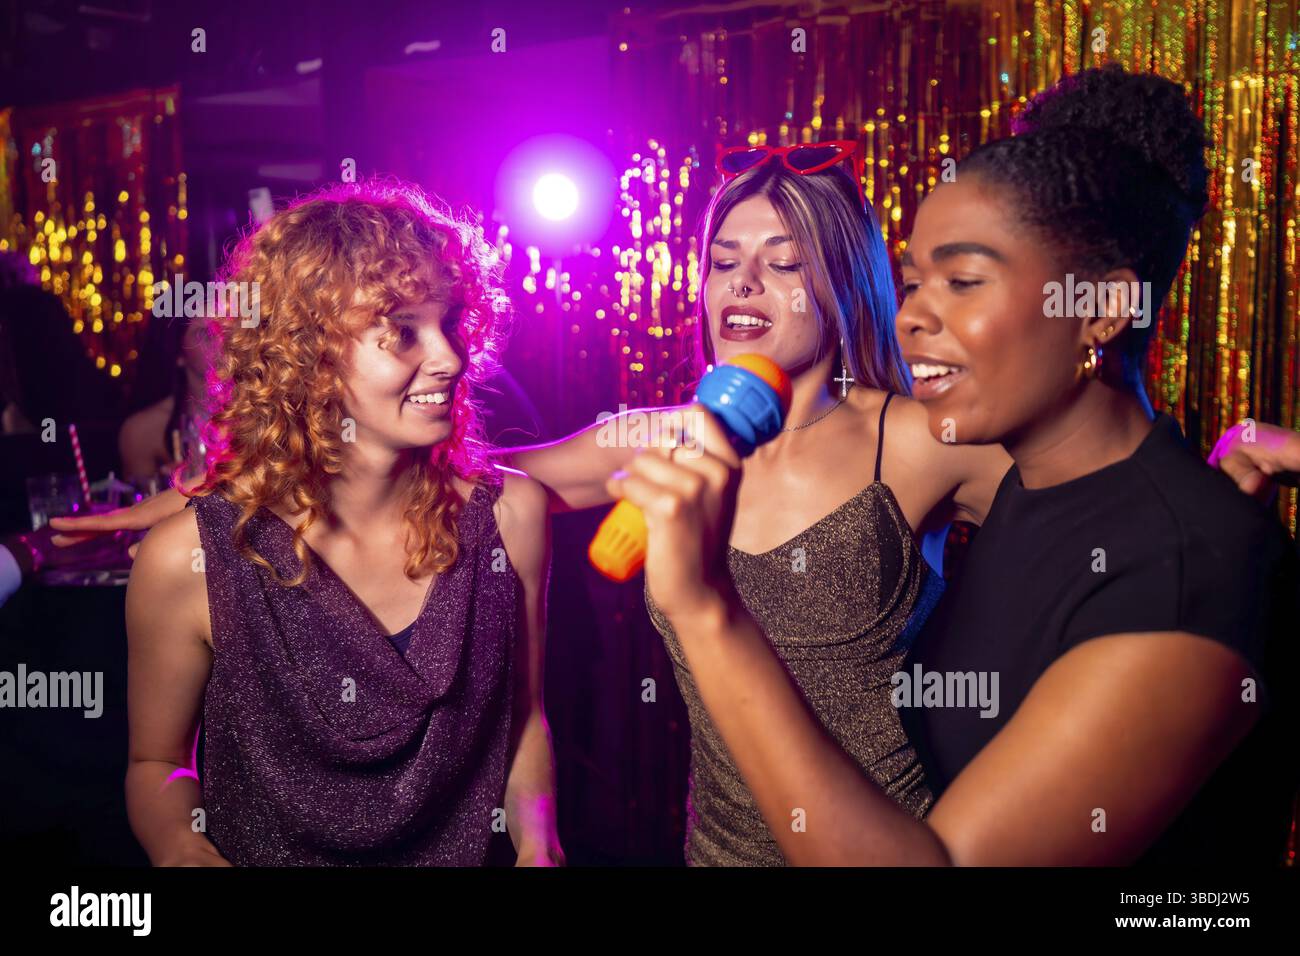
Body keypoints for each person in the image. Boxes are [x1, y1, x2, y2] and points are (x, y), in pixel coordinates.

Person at [604, 65, 1300, 865]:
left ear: (1100, 310)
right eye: (911, 283)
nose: (910, 319)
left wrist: (704, 609)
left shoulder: (1181, 573)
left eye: (963, 281)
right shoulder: (1042, 495)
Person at [122, 180, 563, 866]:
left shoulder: (511, 518)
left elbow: (525, 718)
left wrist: (539, 845)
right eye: (402, 332)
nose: (449, 358)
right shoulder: (189, 559)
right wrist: (180, 845)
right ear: (308, 353)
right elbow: (156, 762)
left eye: (448, 323)